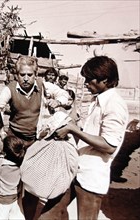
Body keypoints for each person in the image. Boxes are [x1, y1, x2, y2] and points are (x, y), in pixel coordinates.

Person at [39, 55, 129, 220]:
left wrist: (74, 129)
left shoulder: (114, 104)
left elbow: (109, 145)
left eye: (89, 79)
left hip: (92, 176)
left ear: (105, 79)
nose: (86, 83)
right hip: (77, 168)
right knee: (50, 214)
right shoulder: (98, 101)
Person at [0, 55, 69, 147]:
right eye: (22, 75)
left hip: (36, 139)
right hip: (15, 138)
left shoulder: (43, 86)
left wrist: (58, 102)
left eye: (30, 75)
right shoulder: (11, 88)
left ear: (36, 75)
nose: (26, 79)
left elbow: (64, 95)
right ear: (17, 75)